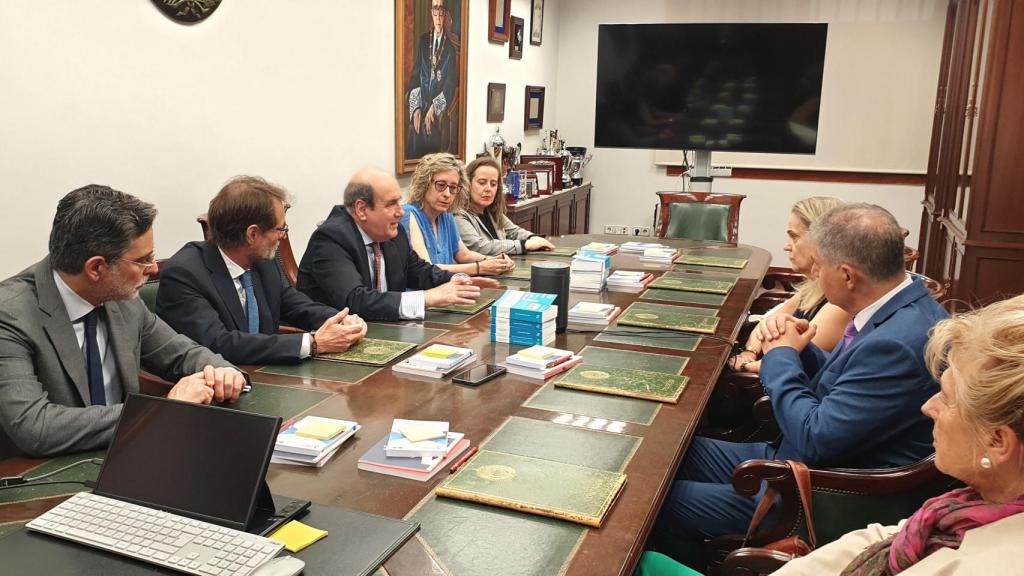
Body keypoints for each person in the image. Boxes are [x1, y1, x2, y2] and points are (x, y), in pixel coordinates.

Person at [652, 204, 949, 569]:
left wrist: (781, 357)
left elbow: (815, 437)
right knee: (663, 451)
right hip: (798, 459)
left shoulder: (897, 343)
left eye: (819, 268)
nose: (816, 277)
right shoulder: (901, 307)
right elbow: (847, 386)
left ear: (847, 275)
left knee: (653, 498)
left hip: (819, 491)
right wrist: (803, 350)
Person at [775, 293, 1024, 575]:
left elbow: (815, 437)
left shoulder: (986, 565)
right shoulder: (970, 507)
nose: (928, 407)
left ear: (997, 442)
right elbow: (884, 537)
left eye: (946, 396)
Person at [0, 185, 245, 458]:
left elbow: (181, 353)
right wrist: (161, 411)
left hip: (127, 454)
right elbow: (36, 428)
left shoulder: (121, 298)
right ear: (96, 268)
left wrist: (224, 372)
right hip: (41, 480)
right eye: (143, 260)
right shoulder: (10, 315)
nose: (153, 269)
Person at [156, 176, 367, 365]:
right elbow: (220, 344)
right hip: (215, 390)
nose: (283, 236)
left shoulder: (262, 261)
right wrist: (312, 344)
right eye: (280, 229)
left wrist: (341, 320)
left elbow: (294, 304)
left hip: (267, 374)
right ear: (252, 235)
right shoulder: (184, 274)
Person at [297, 168, 499, 321]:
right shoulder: (331, 238)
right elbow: (356, 300)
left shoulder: (392, 232)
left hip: (385, 330)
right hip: (334, 347)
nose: (400, 212)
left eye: (399, 202)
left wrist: (459, 279)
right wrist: (427, 299)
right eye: (391, 204)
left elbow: (419, 271)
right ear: (361, 209)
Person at [729, 196, 849, 373]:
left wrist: (743, 365)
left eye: (794, 237)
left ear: (821, 241)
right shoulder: (814, 285)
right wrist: (750, 352)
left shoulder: (839, 303)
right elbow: (765, 325)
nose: (786, 246)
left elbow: (797, 361)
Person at [401, 152, 515, 276]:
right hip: (423, 293)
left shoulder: (446, 215)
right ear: (424, 184)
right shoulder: (409, 214)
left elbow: (463, 254)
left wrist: (493, 261)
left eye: (453, 188)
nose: (447, 194)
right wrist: (479, 267)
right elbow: (427, 269)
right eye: (440, 185)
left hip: (448, 287)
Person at [454, 156, 555, 256]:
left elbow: (515, 231)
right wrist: (524, 245)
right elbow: (479, 246)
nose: (488, 189)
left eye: (493, 184)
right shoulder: (458, 214)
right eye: (482, 183)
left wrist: (532, 238)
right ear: (467, 184)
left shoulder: (491, 211)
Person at [407, 0, 459, 158]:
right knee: (413, 136)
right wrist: (415, 107)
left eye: (441, 10)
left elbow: (450, 87)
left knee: (430, 135)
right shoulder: (423, 42)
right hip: (421, 104)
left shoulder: (450, 50)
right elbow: (416, 76)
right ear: (431, 12)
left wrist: (434, 108)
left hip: (436, 110)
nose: (437, 15)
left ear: (446, 15)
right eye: (435, 10)